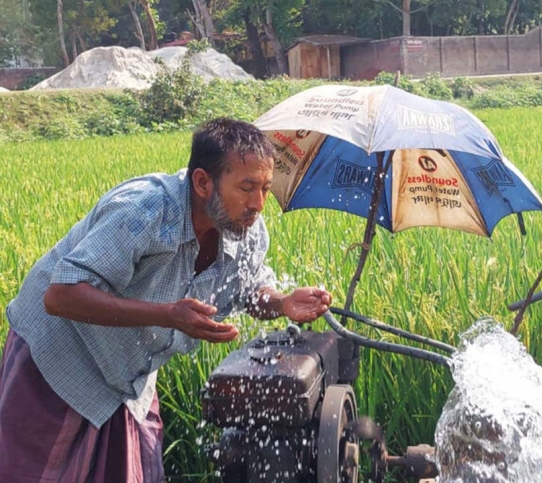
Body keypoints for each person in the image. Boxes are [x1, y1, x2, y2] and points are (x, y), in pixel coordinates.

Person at [0, 118, 332, 482]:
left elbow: (249, 290)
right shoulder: (144, 211)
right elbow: (61, 296)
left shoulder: (245, 230)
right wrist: (167, 315)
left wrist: (282, 302)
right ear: (203, 182)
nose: (258, 203)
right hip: (59, 360)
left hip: (128, 377)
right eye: (247, 187)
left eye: (266, 188)